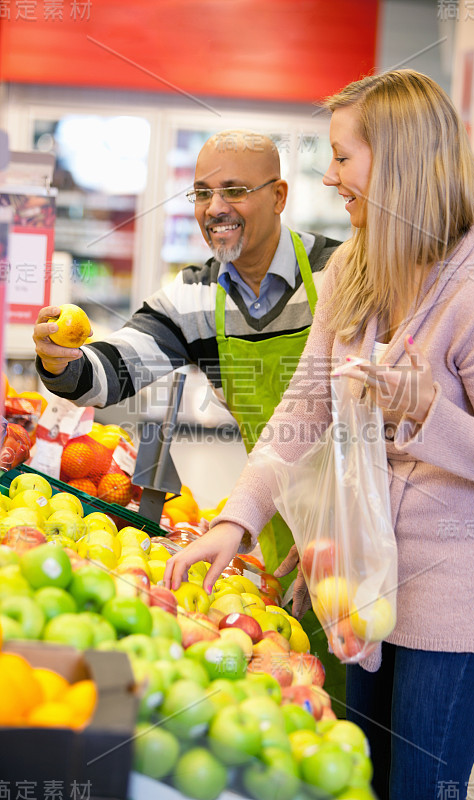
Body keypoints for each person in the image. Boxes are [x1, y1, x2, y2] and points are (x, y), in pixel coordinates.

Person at [163, 70, 474, 800]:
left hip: (455, 603)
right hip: (360, 590)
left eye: (341, 156)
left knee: (419, 790)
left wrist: (427, 415)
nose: (329, 177)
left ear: (396, 160)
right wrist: (236, 519)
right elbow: (300, 414)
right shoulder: (352, 276)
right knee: (355, 780)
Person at [33, 130, 346, 703]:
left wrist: (340, 524)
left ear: (279, 196)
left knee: (369, 716)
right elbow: (112, 370)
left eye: (234, 190)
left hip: (369, 526)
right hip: (273, 525)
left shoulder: (341, 274)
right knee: (298, 695)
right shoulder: (195, 296)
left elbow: (386, 408)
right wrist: (62, 358)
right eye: (202, 193)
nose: (214, 208)